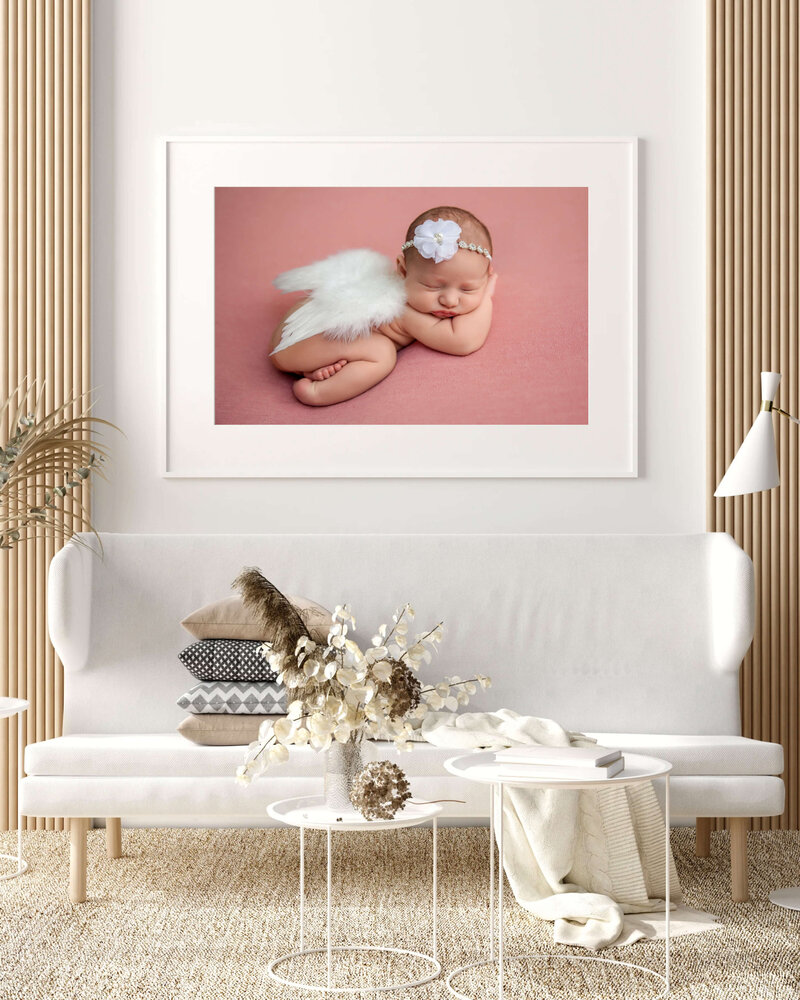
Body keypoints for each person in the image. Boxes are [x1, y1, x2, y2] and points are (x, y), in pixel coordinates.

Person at [269, 206, 497, 406]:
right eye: (432, 286)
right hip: (295, 343)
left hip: (304, 339)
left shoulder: (419, 294)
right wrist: (485, 294)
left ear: (485, 275)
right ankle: (316, 392)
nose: (450, 300)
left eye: (467, 289)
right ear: (403, 270)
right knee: (382, 352)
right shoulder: (403, 310)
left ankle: (316, 365)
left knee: (368, 343)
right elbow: (463, 341)